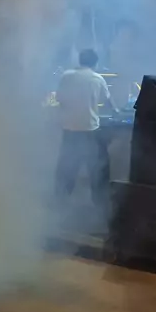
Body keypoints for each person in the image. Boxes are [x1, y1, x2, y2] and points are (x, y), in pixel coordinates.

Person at [55, 49, 118, 208]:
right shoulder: (97, 78)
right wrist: (117, 111)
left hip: (69, 130)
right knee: (99, 169)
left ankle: (59, 204)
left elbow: (59, 99)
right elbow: (108, 102)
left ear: (80, 60)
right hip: (90, 130)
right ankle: (101, 205)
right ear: (95, 63)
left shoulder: (66, 76)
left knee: (67, 168)